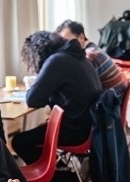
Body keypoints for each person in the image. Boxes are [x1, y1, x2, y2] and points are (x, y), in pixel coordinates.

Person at [11, 31, 102, 165]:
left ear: (36, 54)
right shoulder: (78, 56)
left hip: (75, 132)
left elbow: (32, 99)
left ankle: (59, 180)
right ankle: (61, 172)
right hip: (88, 127)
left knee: (19, 141)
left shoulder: (57, 61)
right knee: (38, 131)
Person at [55, 20, 127, 97]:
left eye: (66, 41)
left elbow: (78, 87)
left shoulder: (89, 55)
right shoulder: (93, 49)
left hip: (111, 105)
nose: (64, 47)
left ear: (81, 37)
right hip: (113, 100)